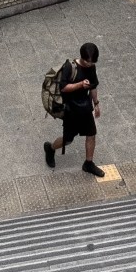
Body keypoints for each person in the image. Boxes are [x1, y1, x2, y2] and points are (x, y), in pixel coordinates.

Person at [43, 42, 104, 177]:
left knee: (91, 134)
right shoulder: (69, 67)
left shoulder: (91, 67)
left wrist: (96, 104)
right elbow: (64, 88)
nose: (90, 64)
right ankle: (50, 148)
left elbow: (93, 86)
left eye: (92, 62)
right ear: (82, 57)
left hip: (85, 107)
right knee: (68, 140)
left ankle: (88, 163)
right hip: (71, 110)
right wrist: (80, 84)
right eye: (87, 62)